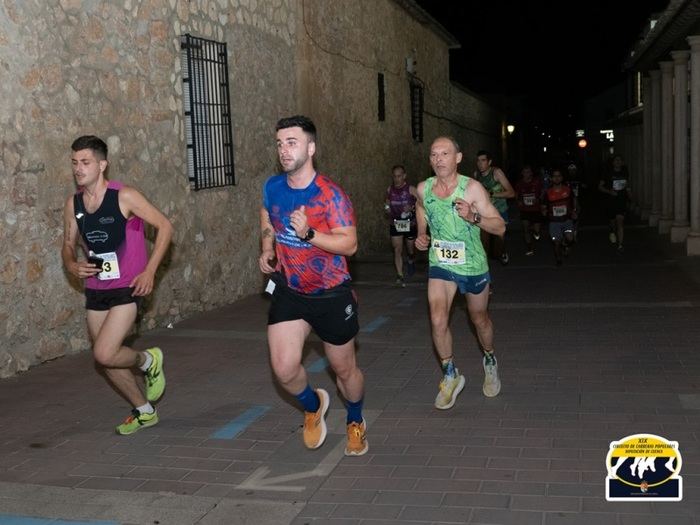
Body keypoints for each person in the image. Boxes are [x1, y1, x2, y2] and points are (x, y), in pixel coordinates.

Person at [259, 115, 368, 456]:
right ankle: (312, 406)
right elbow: (267, 215)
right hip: (290, 290)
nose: (284, 150)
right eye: (279, 143)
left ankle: (355, 419)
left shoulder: (330, 195)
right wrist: (267, 247)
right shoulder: (273, 186)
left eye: (291, 142)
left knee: (344, 369)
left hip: (331, 293)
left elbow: (349, 244)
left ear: (310, 147)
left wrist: (309, 233)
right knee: (284, 367)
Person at [61, 135, 173, 435]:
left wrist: (150, 271)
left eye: (85, 162)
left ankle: (148, 360)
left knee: (104, 352)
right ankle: (144, 411)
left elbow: (165, 226)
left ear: (102, 164)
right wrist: (71, 263)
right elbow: (67, 244)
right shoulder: (73, 204)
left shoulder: (124, 196)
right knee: (108, 360)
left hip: (127, 287)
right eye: (74, 163)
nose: (78, 169)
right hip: (97, 288)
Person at [415, 136, 506, 410]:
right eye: (433, 154)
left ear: (457, 158)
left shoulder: (473, 189)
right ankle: (450, 374)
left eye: (445, 153)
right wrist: (422, 233)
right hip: (441, 262)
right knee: (437, 317)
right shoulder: (423, 188)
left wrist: (473, 217)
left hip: (472, 265)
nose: (438, 159)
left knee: (479, 319)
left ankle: (489, 359)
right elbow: (421, 207)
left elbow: (500, 227)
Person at [473, 150, 515, 265]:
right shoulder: (476, 175)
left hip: (499, 211)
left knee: (498, 244)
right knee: (483, 242)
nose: (480, 163)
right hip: (484, 212)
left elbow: (511, 193)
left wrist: (491, 193)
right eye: (478, 161)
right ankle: (483, 269)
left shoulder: (496, 173)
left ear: (489, 162)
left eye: (483, 160)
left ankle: (502, 251)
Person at [384, 164, 418, 286]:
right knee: (397, 249)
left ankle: (410, 259)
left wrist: (412, 208)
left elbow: (422, 204)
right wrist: (387, 209)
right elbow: (387, 202)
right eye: (394, 176)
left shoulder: (411, 189)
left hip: (409, 222)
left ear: (404, 176)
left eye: (399, 176)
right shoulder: (390, 189)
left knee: (410, 248)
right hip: (396, 222)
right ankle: (400, 275)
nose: (397, 179)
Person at [541, 167, 578, 266]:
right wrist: (544, 211)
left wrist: (574, 211)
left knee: (570, 238)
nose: (557, 178)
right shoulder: (548, 193)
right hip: (554, 222)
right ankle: (558, 259)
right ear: (551, 179)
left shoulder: (568, 190)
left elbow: (574, 201)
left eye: (559, 176)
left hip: (567, 220)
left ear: (562, 178)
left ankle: (566, 244)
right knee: (556, 242)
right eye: (554, 176)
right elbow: (543, 206)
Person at [598, 154, 630, 252]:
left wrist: (630, 194)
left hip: (621, 200)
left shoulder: (625, 172)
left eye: (620, 160)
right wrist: (609, 191)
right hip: (611, 201)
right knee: (613, 222)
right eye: (616, 160)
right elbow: (599, 187)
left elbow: (627, 185)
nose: (618, 162)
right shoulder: (607, 173)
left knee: (620, 222)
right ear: (613, 163)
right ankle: (612, 230)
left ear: (622, 162)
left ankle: (620, 245)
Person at [514, 165, 543, 255]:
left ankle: (535, 231)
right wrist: (518, 201)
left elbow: (543, 192)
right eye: (525, 172)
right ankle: (530, 248)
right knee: (526, 228)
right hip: (525, 209)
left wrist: (539, 199)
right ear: (522, 173)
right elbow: (516, 195)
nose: (527, 174)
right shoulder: (519, 184)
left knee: (537, 230)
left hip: (535, 209)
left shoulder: (537, 182)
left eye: (529, 172)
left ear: (531, 173)